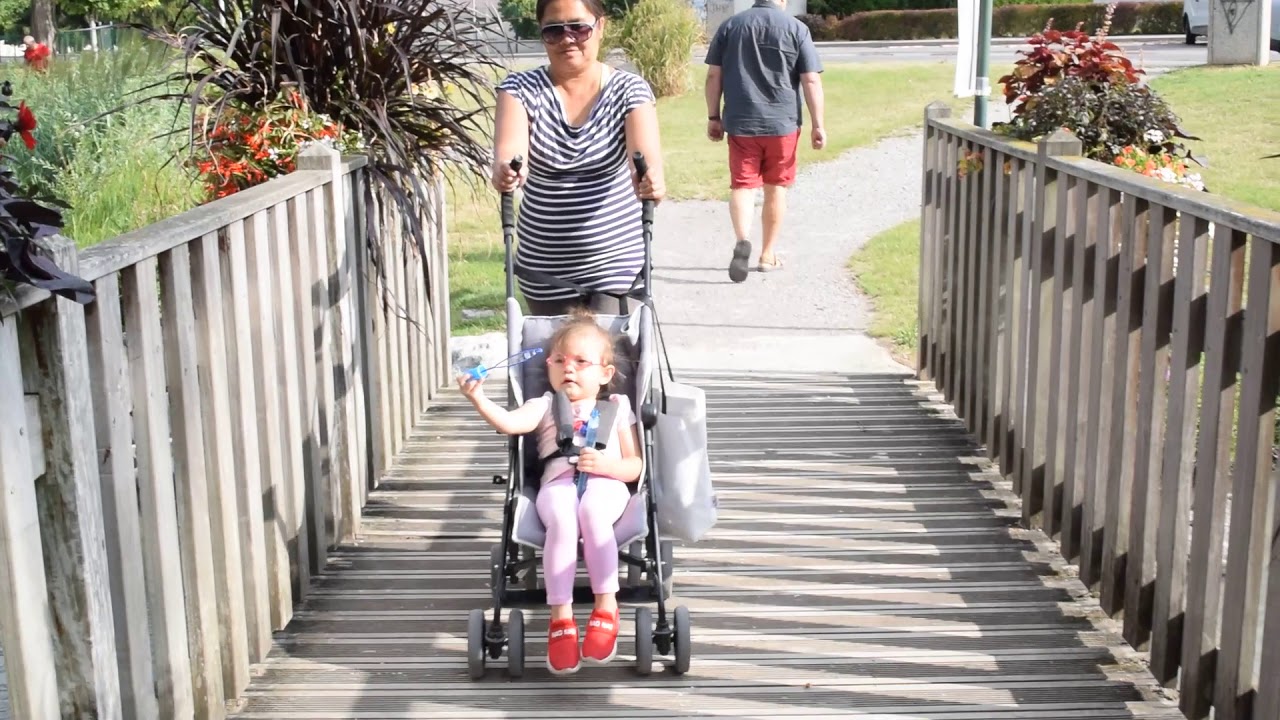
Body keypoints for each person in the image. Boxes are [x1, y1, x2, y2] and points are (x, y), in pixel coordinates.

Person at [457, 309, 642, 675]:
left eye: (580, 361)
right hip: (557, 486)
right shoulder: (542, 405)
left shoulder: (617, 408)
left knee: (592, 512)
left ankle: (606, 606)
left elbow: (635, 466)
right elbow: (510, 423)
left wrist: (606, 466)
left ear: (605, 373)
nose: (568, 368)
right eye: (559, 360)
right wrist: (479, 399)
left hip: (607, 484)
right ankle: (561, 617)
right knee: (562, 519)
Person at [491, 0, 666, 317]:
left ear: (601, 26)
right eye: (553, 31)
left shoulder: (630, 90)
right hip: (544, 273)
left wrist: (650, 181)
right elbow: (510, 153)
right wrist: (507, 170)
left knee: (609, 350)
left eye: (579, 28)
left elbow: (646, 163)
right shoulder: (518, 90)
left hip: (616, 271)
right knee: (555, 352)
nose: (567, 38)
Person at [704, 0, 826, 282]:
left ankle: (742, 239)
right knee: (776, 187)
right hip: (782, 124)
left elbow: (713, 75)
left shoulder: (730, 26)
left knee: (743, 185)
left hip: (741, 122)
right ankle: (767, 255)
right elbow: (810, 80)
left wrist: (713, 116)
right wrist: (818, 124)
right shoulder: (796, 28)